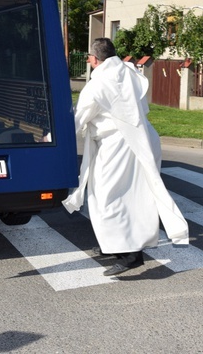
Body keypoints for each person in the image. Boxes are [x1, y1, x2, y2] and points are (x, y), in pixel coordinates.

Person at [63, 38, 189, 276]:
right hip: (139, 139)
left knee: (107, 197)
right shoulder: (129, 73)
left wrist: (51, 137)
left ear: (95, 59)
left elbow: (78, 119)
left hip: (116, 146)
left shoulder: (98, 84)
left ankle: (131, 256)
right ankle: (114, 245)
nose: (88, 61)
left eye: (89, 57)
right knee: (133, 197)